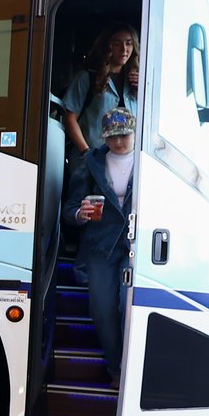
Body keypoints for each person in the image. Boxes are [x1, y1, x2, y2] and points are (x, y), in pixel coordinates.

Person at [62, 107, 136, 388]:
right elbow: (69, 209)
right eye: (112, 136)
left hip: (134, 245)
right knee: (103, 309)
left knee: (128, 307)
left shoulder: (147, 161)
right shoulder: (90, 162)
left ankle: (131, 369)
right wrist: (81, 214)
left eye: (124, 135)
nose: (118, 142)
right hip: (99, 246)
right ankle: (116, 367)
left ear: (134, 132)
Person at [61, 22, 140, 157]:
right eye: (117, 44)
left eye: (129, 43)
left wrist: (143, 91)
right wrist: (86, 152)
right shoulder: (87, 77)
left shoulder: (137, 80)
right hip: (90, 158)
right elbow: (69, 118)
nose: (124, 49)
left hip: (126, 161)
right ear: (107, 46)